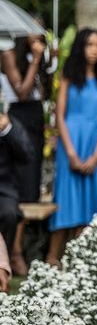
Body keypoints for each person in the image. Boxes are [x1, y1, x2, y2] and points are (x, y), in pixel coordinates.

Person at [47, 28, 97, 269]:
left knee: (88, 199)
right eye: (89, 45)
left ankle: (79, 258)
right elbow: (59, 116)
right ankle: (53, 256)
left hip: (93, 140)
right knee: (66, 195)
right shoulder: (69, 74)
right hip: (70, 139)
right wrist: (71, 152)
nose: (94, 50)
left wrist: (96, 154)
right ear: (80, 47)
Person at [0, 34, 49, 275]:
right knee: (19, 186)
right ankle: (15, 253)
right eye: (33, 30)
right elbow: (21, 92)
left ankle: (18, 250)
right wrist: (35, 59)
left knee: (30, 188)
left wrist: (45, 62)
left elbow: (43, 93)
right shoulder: (9, 53)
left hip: (35, 116)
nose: (38, 35)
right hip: (19, 115)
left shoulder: (36, 56)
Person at [0, 110, 33, 260]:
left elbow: (26, 155)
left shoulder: (11, 122)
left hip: (4, 189)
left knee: (9, 214)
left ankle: (2, 265)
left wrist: (7, 130)